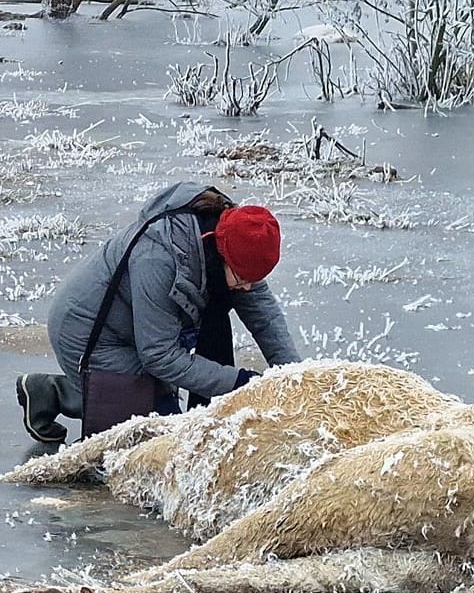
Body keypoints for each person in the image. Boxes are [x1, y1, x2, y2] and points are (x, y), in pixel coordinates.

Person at [16, 181, 301, 444]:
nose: (249, 288)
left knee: (158, 412)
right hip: (91, 334)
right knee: (158, 439)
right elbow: (159, 356)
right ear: (222, 254)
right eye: (242, 279)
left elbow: (264, 316)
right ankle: (66, 394)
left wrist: (297, 376)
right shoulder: (160, 258)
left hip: (135, 330)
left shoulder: (231, 237)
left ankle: (57, 392)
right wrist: (240, 383)